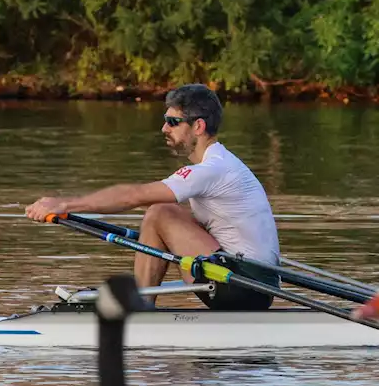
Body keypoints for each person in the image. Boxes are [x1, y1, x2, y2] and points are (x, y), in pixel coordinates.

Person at [24, 84, 280, 310]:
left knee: (160, 212)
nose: (163, 128)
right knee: (171, 214)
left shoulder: (212, 169)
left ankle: (140, 310)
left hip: (244, 287)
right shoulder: (224, 163)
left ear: (198, 126)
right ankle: (142, 301)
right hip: (253, 284)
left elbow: (135, 196)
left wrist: (64, 204)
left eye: (172, 122)